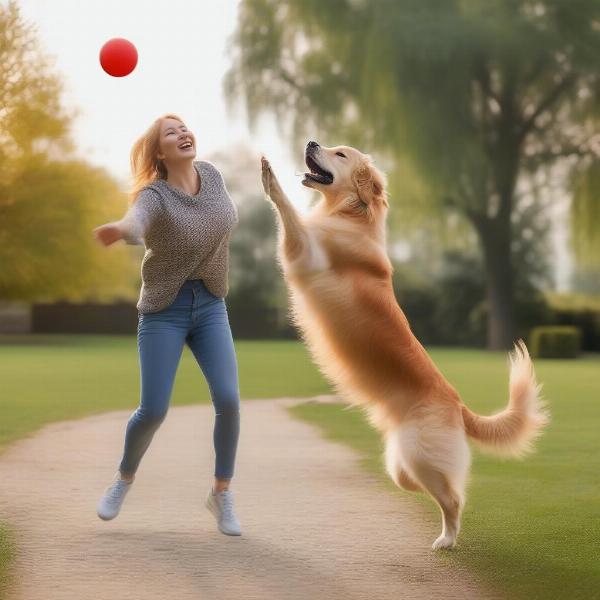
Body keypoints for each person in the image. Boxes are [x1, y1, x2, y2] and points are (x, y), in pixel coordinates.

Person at [92, 114, 242, 535]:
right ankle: (123, 479)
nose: (183, 134)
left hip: (211, 304)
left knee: (229, 400)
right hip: (164, 309)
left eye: (185, 127)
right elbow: (137, 220)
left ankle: (222, 492)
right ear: (160, 151)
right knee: (153, 410)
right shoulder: (154, 195)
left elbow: (223, 221)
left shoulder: (212, 176)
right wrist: (122, 230)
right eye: (171, 133)